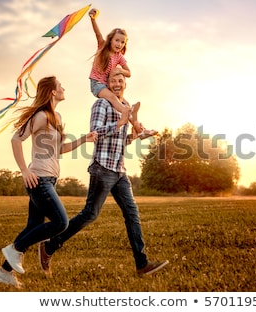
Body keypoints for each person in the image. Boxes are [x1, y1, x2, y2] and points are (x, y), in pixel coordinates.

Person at [38, 71, 169, 277]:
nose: (117, 84)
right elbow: (96, 133)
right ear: (107, 85)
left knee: (132, 214)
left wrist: (135, 136)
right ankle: (50, 247)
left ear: (125, 84)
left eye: (120, 81)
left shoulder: (124, 106)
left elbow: (120, 141)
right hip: (102, 168)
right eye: (113, 81)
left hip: (119, 170)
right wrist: (120, 122)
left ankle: (142, 265)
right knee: (89, 214)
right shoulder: (101, 104)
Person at [0, 76, 98, 288]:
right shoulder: (41, 116)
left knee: (34, 225)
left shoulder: (56, 116)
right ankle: (15, 249)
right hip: (38, 179)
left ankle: (4, 272)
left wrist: (84, 139)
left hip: (49, 178)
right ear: (52, 92)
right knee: (61, 222)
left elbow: (59, 149)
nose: (63, 88)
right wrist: (24, 170)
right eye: (61, 86)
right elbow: (16, 139)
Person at [87, 8, 157, 140]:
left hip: (106, 86)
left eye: (122, 42)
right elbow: (97, 33)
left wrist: (120, 70)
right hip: (97, 84)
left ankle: (140, 131)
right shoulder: (103, 47)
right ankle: (126, 113)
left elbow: (129, 73)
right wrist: (93, 19)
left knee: (126, 104)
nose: (119, 44)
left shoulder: (119, 57)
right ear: (111, 40)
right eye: (117, 40)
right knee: (115, 100)